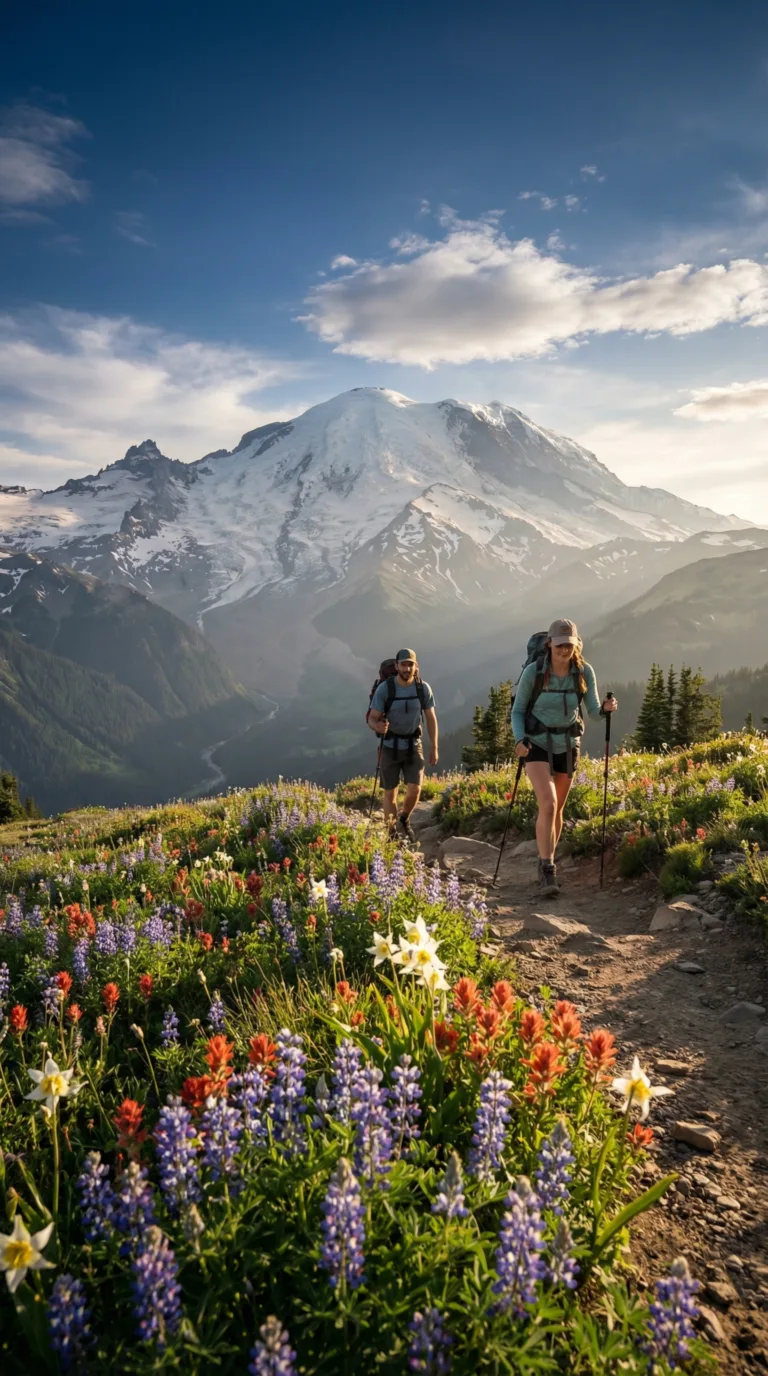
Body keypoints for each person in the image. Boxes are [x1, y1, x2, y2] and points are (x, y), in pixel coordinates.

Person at [511, 618, 617, 895]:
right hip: (535, 744)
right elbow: (518, 711)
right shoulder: (534, 672)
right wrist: (520, 740)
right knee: (548, 803)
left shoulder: (583, 672)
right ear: (549, 643)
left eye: (569, 645)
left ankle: (546, 861)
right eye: (559, 644)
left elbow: (593, 712)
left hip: (568, 744)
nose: (563, 650)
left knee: (557, 810)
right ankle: (548, 869)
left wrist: (606, 709)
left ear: (576, 644)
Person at [367, 648, 438, 841]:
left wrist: (434, 746)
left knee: (415, 788)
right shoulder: (385, 689)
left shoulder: (423, 689)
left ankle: (404, 818)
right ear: (397, 666)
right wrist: (378, 727)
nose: (407, 668)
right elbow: (371, 718)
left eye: (411, 664)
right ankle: (391, 833)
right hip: (390, 744)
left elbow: (431, 718)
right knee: (391, 790)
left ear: (416, 667)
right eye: (404, 664)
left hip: (414, 744)